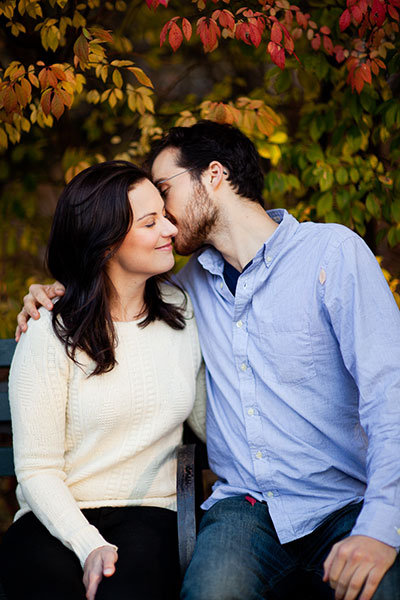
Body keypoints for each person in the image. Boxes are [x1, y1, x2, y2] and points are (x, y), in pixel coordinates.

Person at [16, 121, 400, 600]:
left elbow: (392, 398)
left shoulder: (332, 256)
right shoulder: (186, 290)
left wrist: (382, 525)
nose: (167, 221)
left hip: (344, 502)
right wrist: (52, 296)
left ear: (214, 175)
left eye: (164, 190)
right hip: (246, 510)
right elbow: (110, 293)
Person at [3, 160, 206, 600]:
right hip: (55, 517)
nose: (170, 229)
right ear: (105, 244)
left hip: (151, 514)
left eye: (165, 216)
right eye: (150, 222)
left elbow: (213, 423)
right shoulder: (48, 331)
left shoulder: (183, 311)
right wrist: (88, 543)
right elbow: (37, 469)